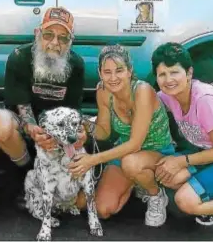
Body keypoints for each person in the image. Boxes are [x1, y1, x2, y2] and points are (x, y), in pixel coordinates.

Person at [0, 7, 87, 207]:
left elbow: (74, 110)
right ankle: (23, 172)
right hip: (25, 124)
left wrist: (67, 133)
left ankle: (54, 189)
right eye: (48, 34)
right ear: (37, 34)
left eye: (63, 38)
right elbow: (20, 105)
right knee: (0, 122)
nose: (54, 43)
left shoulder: (76, 64)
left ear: (70, 42)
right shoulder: (19, 57)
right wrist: (32, 128)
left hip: (56, 129)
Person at [68, 44, 175, 227]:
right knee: (102, 209)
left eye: (119, 70)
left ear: (129, 71)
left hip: (157, 151)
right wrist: (84, 124)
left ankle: (155, 194)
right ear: (100, 73)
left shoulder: (142, 90)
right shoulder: (102, 91)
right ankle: (136, 180)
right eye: (107, 72)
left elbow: (135, 144)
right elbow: (104, 131)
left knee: (131, 163)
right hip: (125, 153)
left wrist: (91, 160)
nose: (113, 77)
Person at [152, 42, 213, 238]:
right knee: (168, 175)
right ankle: (211, 202)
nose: (169, 80)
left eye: (174, 72)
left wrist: (180, 161)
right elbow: (140, 103)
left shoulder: (204, 100)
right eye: (162, 74)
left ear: (189, 73)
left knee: (185, 200)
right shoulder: (170, 96)